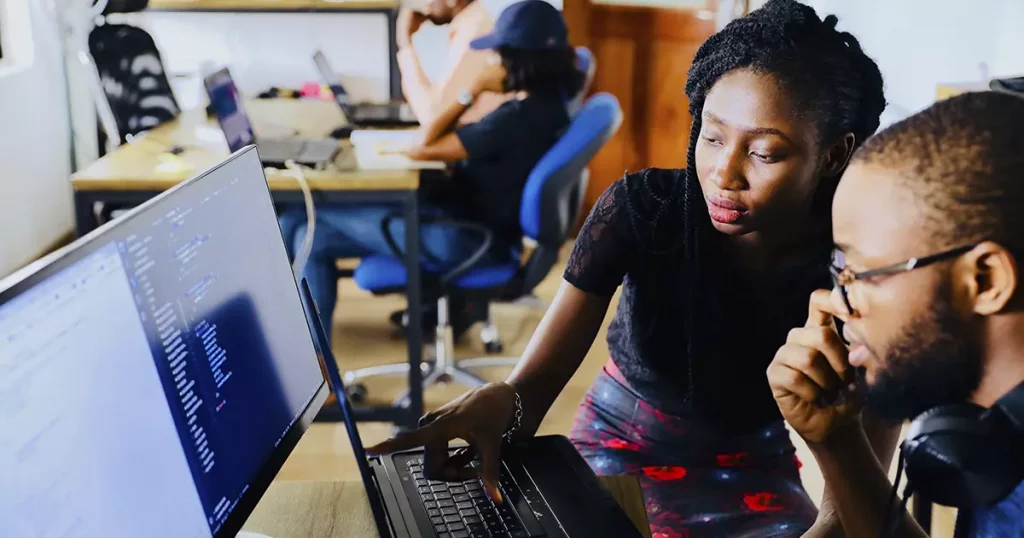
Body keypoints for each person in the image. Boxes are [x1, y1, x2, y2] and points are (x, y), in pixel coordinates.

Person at [364, 1, 893, 536]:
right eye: (711, 137)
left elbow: (859, 478)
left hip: (755, 466)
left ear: (832, 154)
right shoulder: (642, 211)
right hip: (619, 442)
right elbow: (532, 389)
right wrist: (504, 399)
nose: (723, 173)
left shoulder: (862, 266)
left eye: (764, 152)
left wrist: (826, 528)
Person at [768, 91, 1024, 537]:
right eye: (839, 271)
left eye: (862, 273)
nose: (836, 302)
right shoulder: (994, 434)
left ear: (985, 281)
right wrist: (838, 442)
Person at [281, 0, 584, 337]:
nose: (490, 60)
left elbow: (423, 144)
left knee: (306, 226)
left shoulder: (513, 120)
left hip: (462, 239)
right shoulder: (550, 108)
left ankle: (316, 365)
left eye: (496, 53)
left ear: (517, 60)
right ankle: (317, 362)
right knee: (301, 226)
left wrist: (472, 91)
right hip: (476, 229)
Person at [397, 0, 507, 125]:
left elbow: (434, 117)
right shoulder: (470, 26)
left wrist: (405, 43)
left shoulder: (474, 33)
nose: (422, 4)